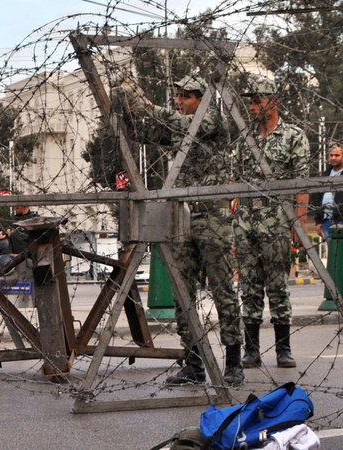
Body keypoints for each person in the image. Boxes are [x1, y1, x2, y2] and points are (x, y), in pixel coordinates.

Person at [117, 74, 243, 385]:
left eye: (186, 97)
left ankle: (234, 362)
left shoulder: (213, 121)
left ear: (201, 99)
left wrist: (145, 103)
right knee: (182, 295)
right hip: (182, 220)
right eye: (178, 96)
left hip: (211, 219)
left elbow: (173, 122)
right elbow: (144, 132)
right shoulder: (177, 128)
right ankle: (194, 363)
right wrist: (126, 110)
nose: (179, 102)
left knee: (223, 290)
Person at [234, 77, 309, 369]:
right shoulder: (245, 138)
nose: (252, 107)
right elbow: (234, 181)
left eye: (257, 101)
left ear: (273, 101)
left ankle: (283, 349)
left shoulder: (293, 136)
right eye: (250, 102)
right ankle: (251, 350)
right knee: (249, 289)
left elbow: (300, 183)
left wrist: (299, 223)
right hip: (246, 223)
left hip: (277, 221)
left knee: (278, 287)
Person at [314, 144, 343, 240]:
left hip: (341, 220)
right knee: (332, 252)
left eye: (337, 155)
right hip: (326, 221)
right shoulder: (326, 174)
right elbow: (318, 199)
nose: (333, 158)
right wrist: (318, 221)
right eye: (331, 155)